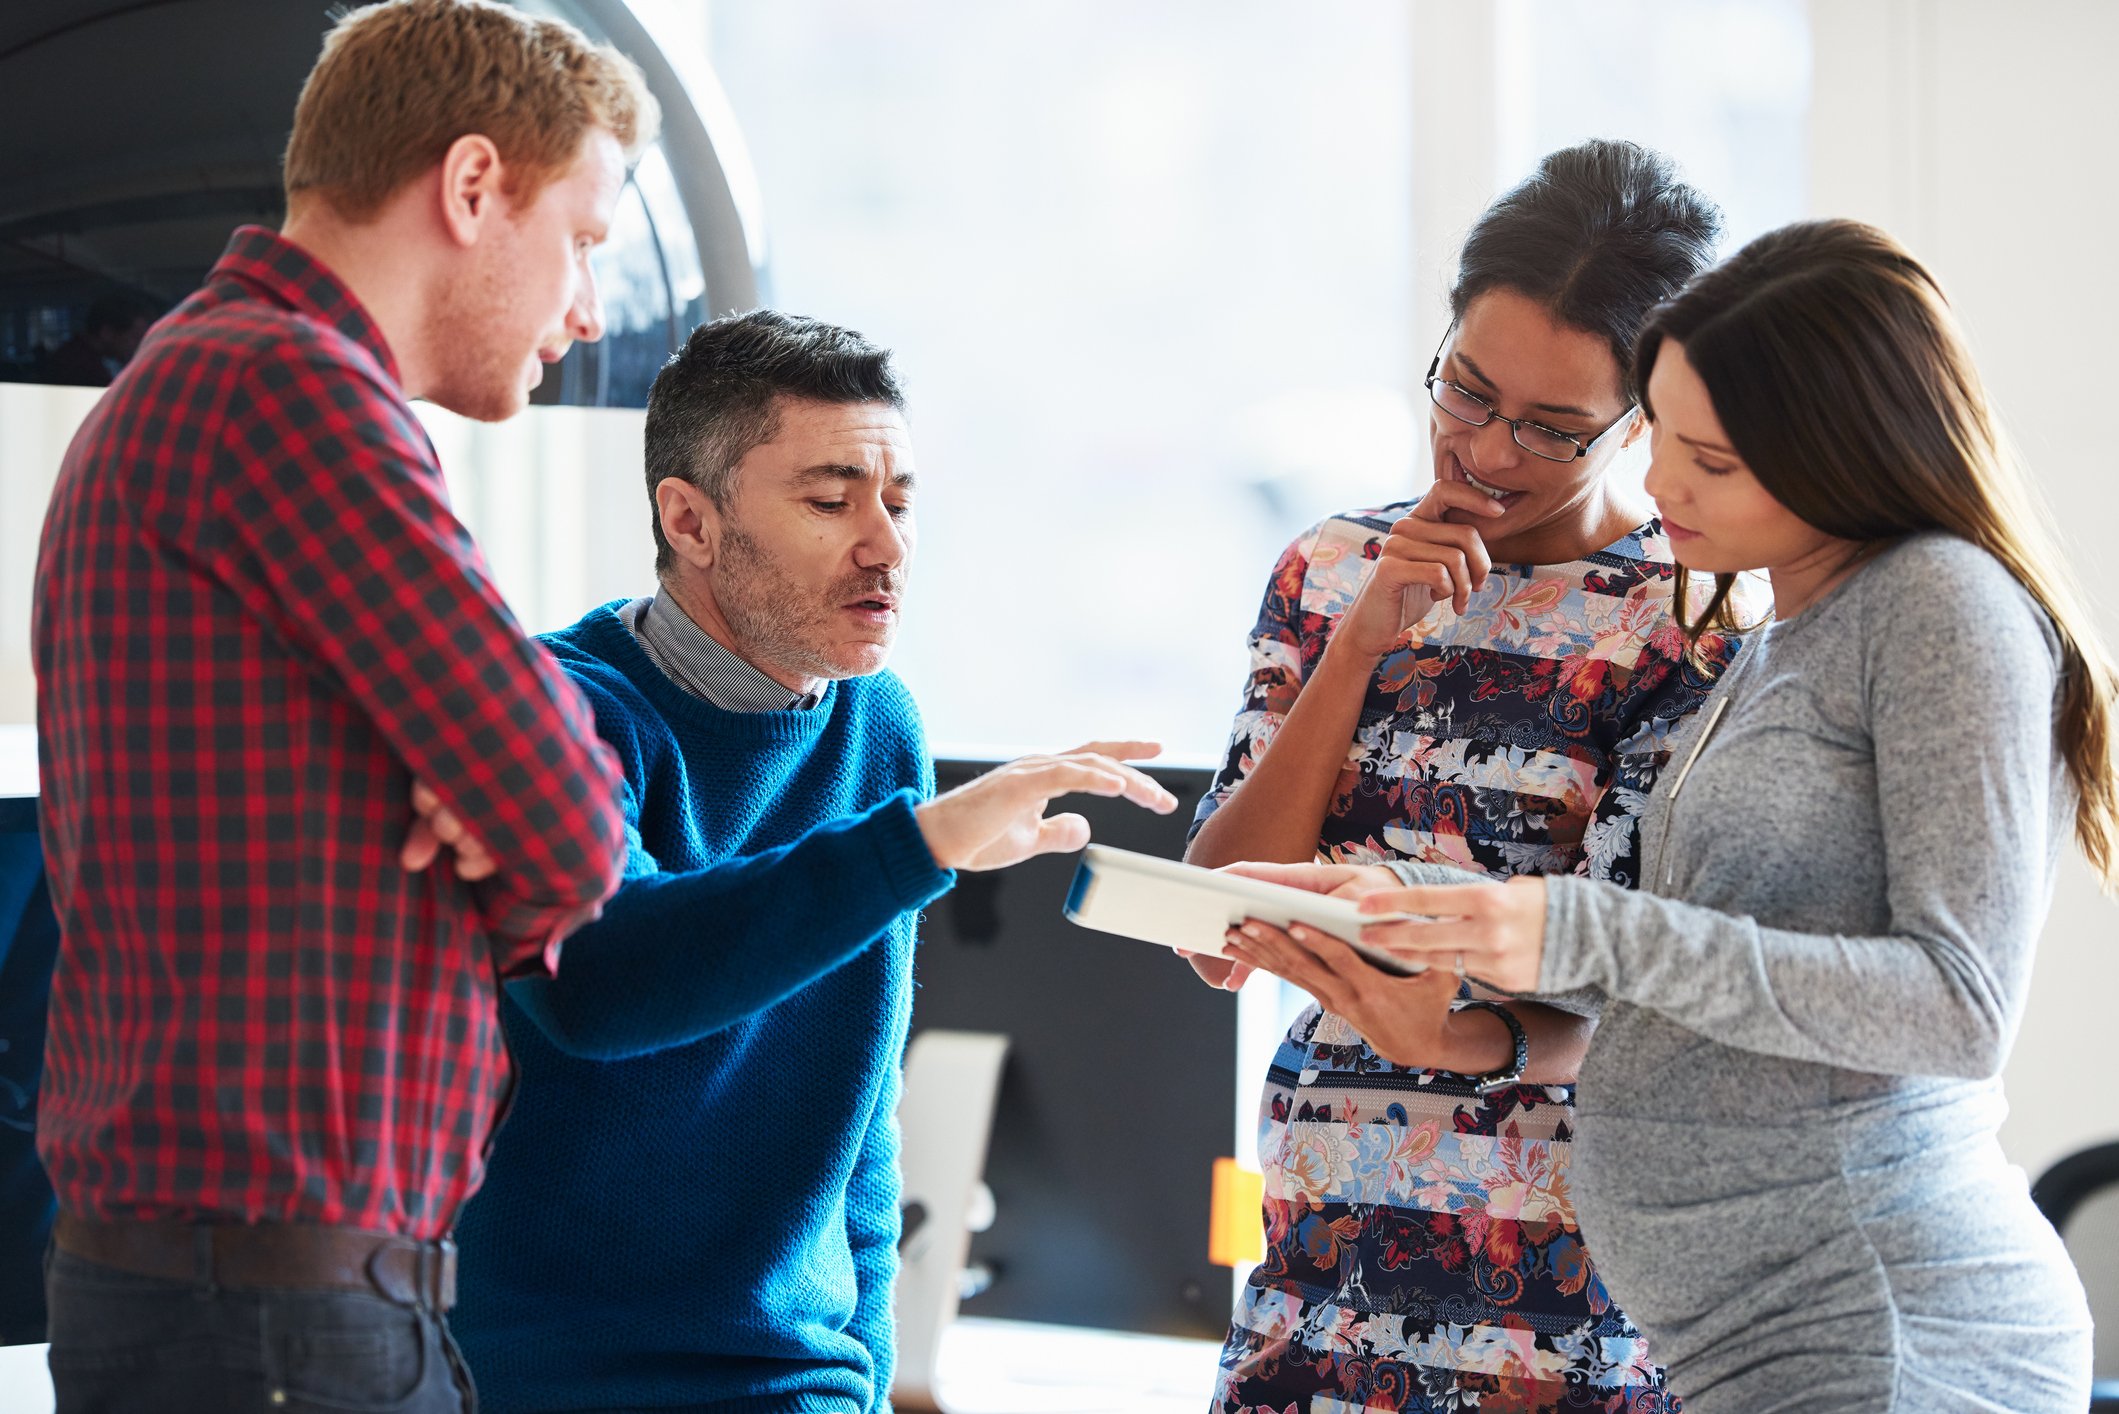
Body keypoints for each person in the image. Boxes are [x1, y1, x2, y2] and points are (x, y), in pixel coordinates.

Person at [1241, 220, 2109, 1410]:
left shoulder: (1939, 607)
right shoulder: (1788, 634)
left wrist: (1556, 928)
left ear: (1842, 452)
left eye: (1709, 460)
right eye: (1666, 435)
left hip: (1877, 1326)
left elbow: (1958, 1008)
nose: (1657, 484)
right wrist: (1433, 916)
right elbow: (1685, 968)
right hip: (1750, 1336)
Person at [32, 2, 657, 1408]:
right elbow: (567, 824)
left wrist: (501, 799)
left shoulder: (202, 378)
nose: (589, 308)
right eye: (584, 242)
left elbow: (553, 786)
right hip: (275, 1321)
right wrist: (506, 831)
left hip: (238, 1301)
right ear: (473, 186)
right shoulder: (286, 390)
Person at [448, 309, 1177, 1413]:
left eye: (900, 500)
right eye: (831, 501)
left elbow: (857, 1106)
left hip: (797, 1382)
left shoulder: (877, 723)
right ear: (688, 520)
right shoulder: (562, 711)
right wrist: (924, 842)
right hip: (540, 1377)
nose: (883, 543)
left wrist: (870, 1371)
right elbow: (601, 980)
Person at [1187, 140, 1758, 1412]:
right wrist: (1357, 646)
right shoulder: (1326, 568)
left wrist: (1451, 1031)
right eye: (1463, 390)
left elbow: (1653, 999)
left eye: (1552, 429)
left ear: (1644, 422)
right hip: (1318, 1254)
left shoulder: (1689, 622)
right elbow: (1213, 923)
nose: (1486, 452)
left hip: (1556, 1288)